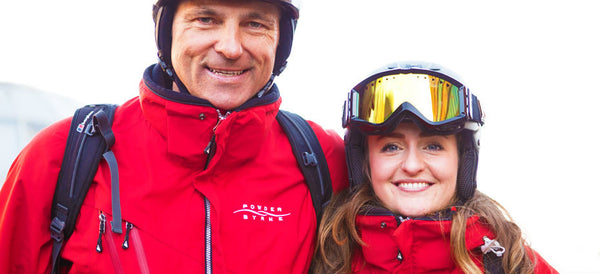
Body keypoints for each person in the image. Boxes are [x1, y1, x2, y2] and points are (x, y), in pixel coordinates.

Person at [0, 0, 348, 273]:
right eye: (206, 19)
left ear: (281, 41)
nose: (230, 47)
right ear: (167, 31)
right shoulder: (62, 155)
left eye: (255, 23)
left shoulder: (323, 159)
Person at [311, 61, 557, 273]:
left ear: (463, 160)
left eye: (433, 146)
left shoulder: (515, 265)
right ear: (364, 163)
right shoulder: (325, 259)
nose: (412, 165)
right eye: (391, 147)